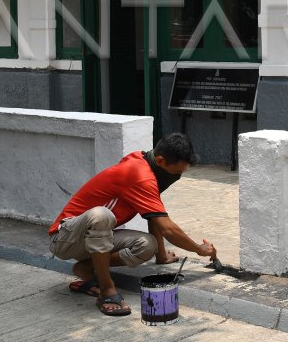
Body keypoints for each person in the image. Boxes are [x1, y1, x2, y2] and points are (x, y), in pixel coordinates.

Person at [48, 133, 217, 317]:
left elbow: (155, 217)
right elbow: (167, 228)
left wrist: (161, 255)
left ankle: (88, 268)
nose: (177, 177)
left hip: (94, 239)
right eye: (176, 173)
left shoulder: (145, 162)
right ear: (160, 160)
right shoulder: (139, 174)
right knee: (101, 215)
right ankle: (107, 290)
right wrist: (199, 249)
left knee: (147, 245)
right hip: (65, 238)